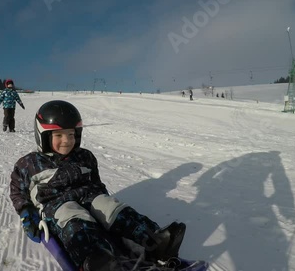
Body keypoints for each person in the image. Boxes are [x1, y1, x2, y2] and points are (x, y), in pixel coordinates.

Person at [9, 100, 186, 270]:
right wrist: (26, 212)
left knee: (111, 208)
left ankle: (155, 241)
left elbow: (96, 182)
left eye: (71, 134)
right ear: (43, 136)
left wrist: (102, 201)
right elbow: (17, 190)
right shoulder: (29, 164)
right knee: (74, 218)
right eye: (59, 135)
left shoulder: (85, 156)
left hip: (88, 195)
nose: (67, 140)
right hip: (56, 203)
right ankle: (98, 260)